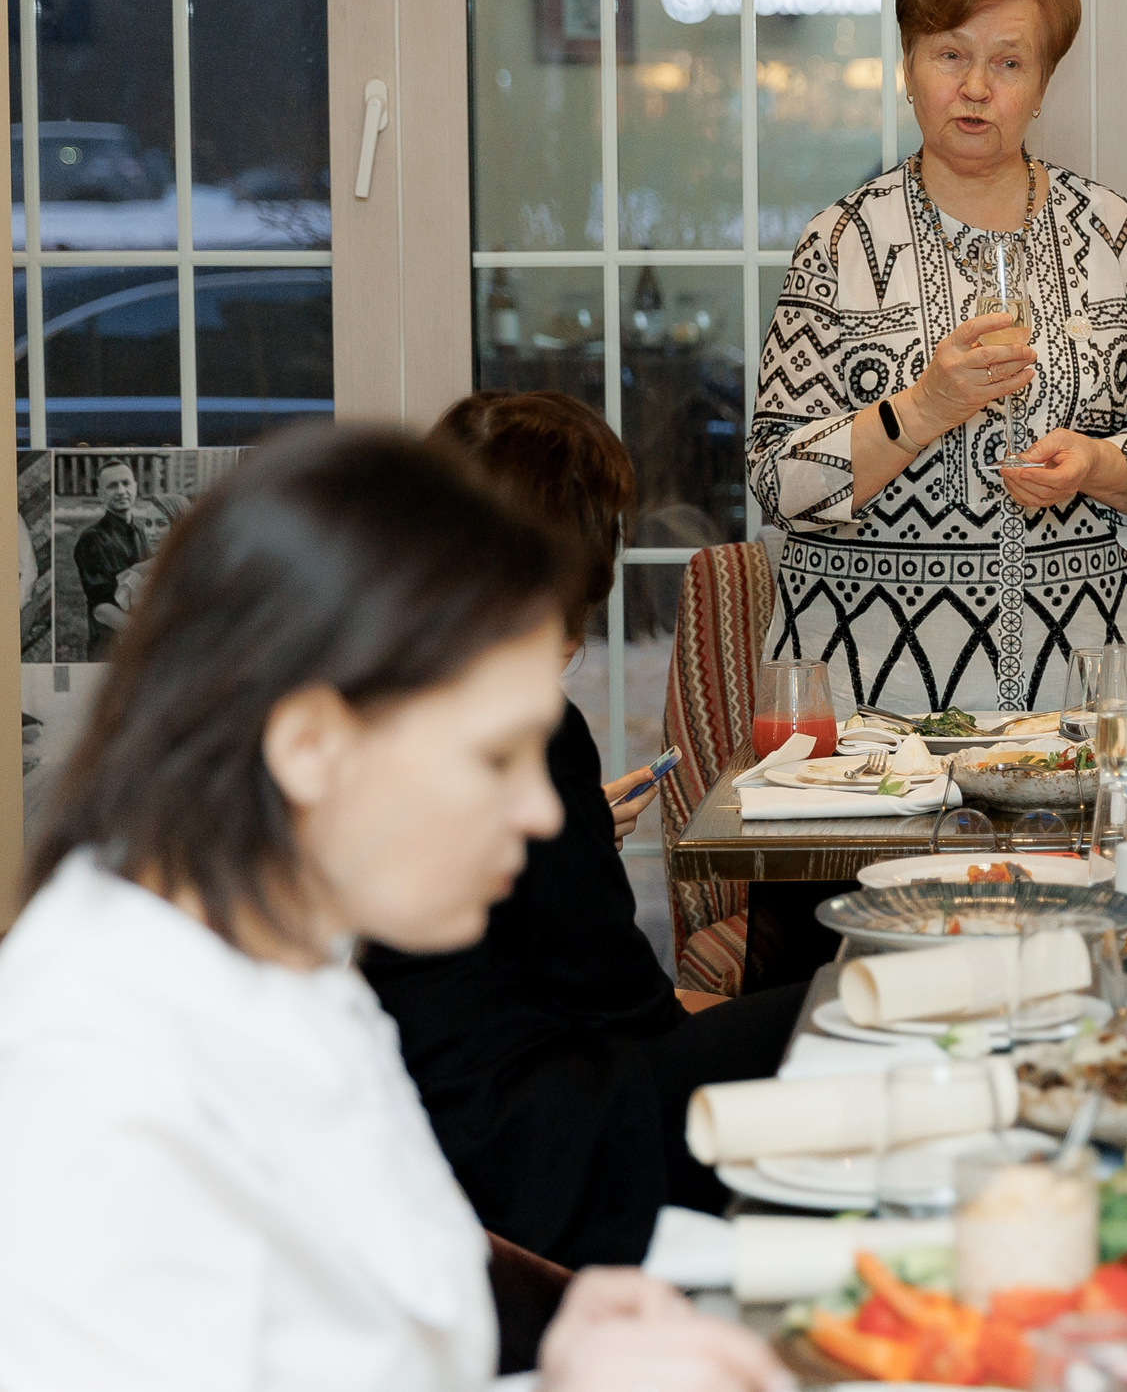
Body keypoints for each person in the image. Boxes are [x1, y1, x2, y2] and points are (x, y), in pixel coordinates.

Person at [0, 426, 786, 1392]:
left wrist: (561, 1345)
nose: (540, 809)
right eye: (491, 757)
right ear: (312, 748)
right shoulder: (107, 1084)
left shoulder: (295, 971)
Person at [363, 393, 808, 1268]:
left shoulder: (388, 694)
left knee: (795, 1018)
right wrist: (705, 1012)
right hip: (540, 1138)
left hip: (429, 1112)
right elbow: (616, 997)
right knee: (831, 1016)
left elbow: (510, 917)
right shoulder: (525, 721)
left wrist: (576, 834)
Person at [747, 0, 1127, 717]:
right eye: (949, 55)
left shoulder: (1110, 231)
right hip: (875, 693)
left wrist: (1097, 463)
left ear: (1041, 86)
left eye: (1007, 62)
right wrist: (922, 410)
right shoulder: (840, 243)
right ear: (908, 70)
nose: (975, 87)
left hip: (1094, 685)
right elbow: (776, 478)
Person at [72, 456, 146, 658]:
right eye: (113, 486)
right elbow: (101, 608)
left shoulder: (140, 532)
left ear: (136, 487)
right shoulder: (92, 539)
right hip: (110, 650)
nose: (122, 491)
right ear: (100, 494)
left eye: (126, 483)